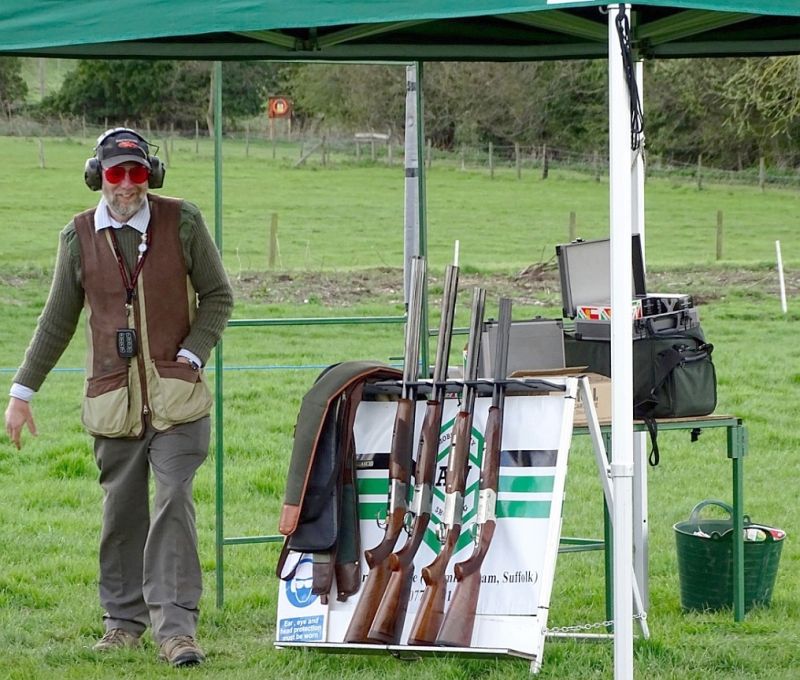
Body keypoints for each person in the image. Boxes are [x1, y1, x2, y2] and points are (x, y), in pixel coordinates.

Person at [4, 127, 233, 667]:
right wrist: (21, 392)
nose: (126, 185)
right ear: (97, 177)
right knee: (122, 513)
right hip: (113, 401)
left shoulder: (185, 221)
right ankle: (123, 622)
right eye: (115, 174)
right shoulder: (77, 237)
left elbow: (218, 297)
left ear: (150, 175)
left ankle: (177, 630)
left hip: (178, 400)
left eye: (135, 173)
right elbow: (57, 321)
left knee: (173, 499)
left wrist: (193, 357)